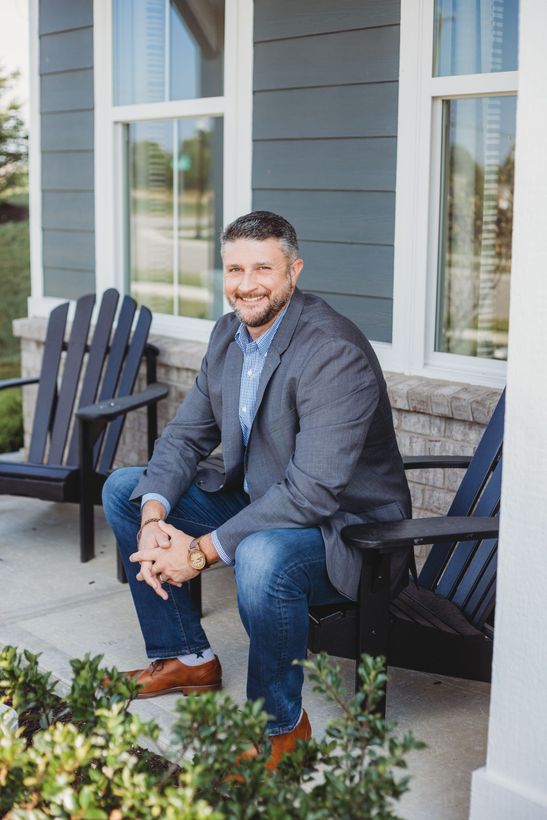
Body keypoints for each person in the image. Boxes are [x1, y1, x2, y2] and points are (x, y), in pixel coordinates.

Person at [102, 210, 411, 767]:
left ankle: (281, 726)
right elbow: (184, 436)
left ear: (293, 271)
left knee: (261, 556)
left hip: (351, 531)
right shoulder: (229, 334)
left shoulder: (331, 350)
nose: (246, 284)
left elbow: (314, 492)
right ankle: (186, 657)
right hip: (264, 498)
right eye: (234, 269)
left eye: (262, 268)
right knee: (128, 487)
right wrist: (153, 519)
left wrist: (198, 551)